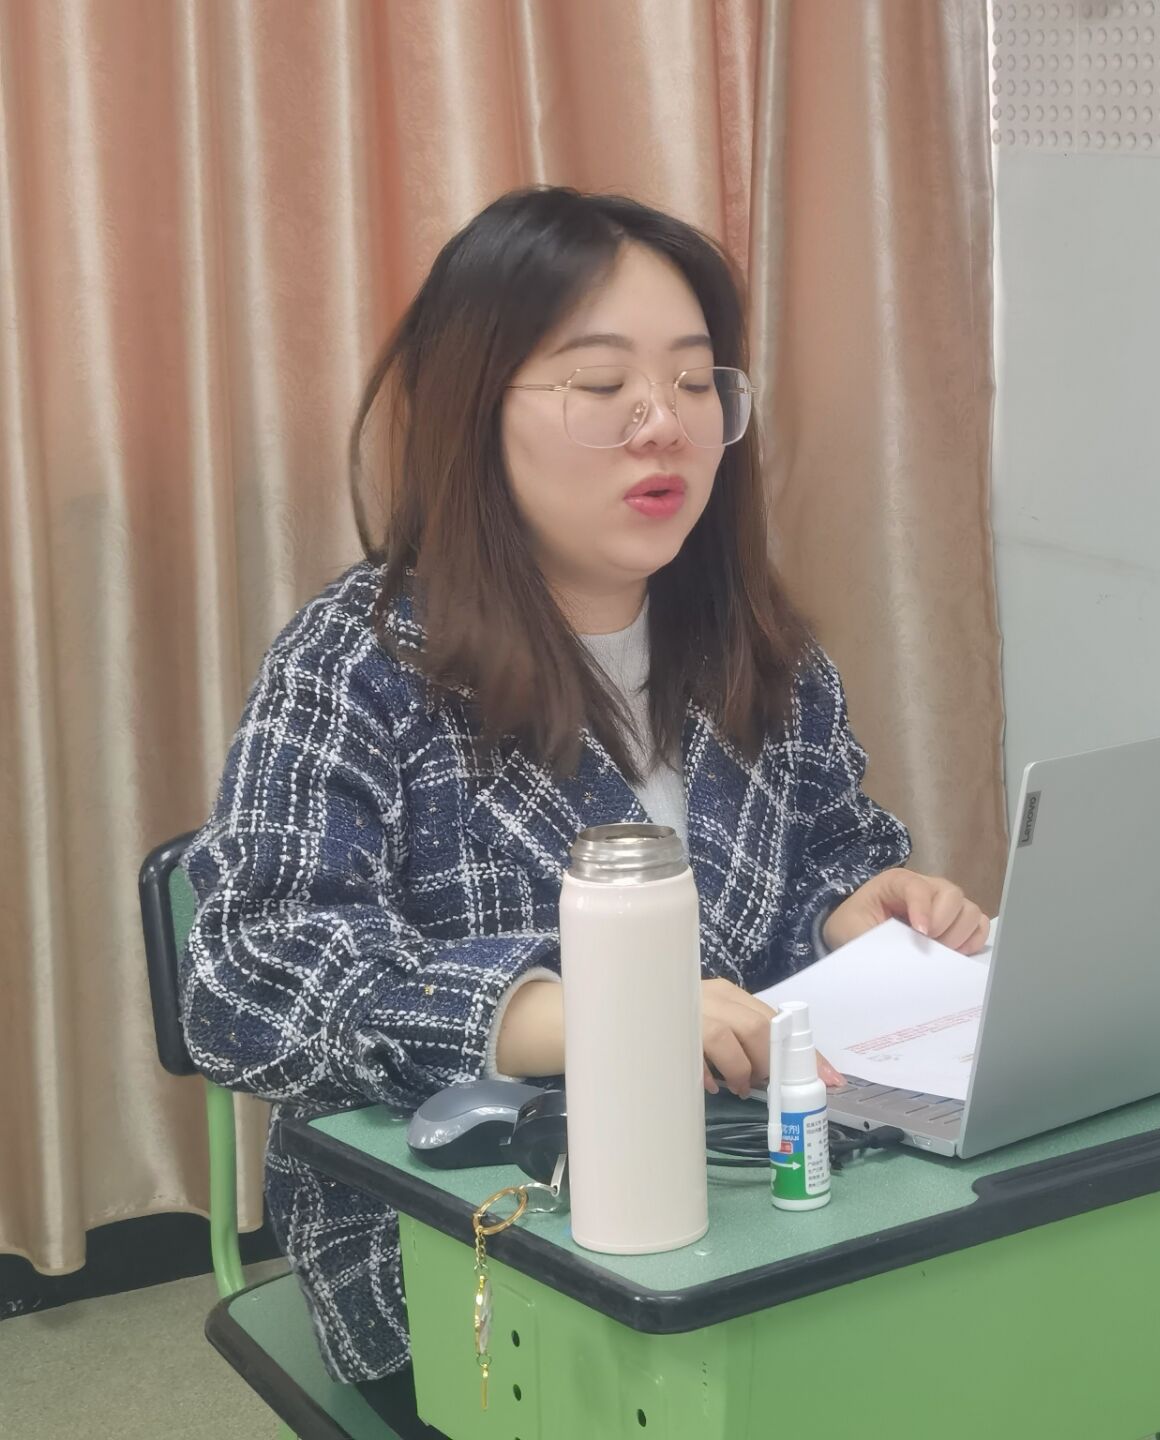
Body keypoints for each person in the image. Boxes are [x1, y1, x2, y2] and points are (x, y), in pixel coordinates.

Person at [181, 187, 990, 1408]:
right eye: (603, 384)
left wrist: (853, 909)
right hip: (469, 1237)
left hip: (767, 1177)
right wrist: (593, 1015)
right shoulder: (362, 660)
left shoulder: (752, 644)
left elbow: (823, 852)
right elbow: (248, 973)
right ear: (474, 408)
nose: (663, 424)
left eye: (695, 381)